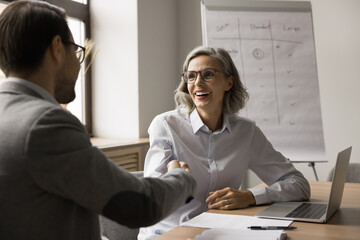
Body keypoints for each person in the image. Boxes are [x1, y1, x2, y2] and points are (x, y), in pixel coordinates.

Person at [0, 1, 196, 239]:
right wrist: (182, 178)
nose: (78, 62)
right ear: (57, 48)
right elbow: (139, 204)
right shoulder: (46, 123)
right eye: (77, 50)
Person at [138, 46, 311, 239]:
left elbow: (299, 185)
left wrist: (250, 196)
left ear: (229, 82)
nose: (198, 83)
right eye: (191, 76)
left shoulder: (246, 132)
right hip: (168, 234)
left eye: (208, 74)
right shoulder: (166, 126)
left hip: (220, 232)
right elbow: (151, 197)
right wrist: (175, 180)